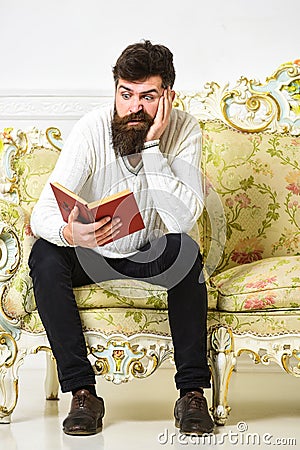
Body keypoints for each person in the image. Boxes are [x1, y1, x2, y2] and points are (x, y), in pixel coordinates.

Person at [29, 40, 214, 436]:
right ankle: (82, 393)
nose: (133, 107)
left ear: (168, 97)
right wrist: (70, 232)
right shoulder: (93, 127)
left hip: (150, 251)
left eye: (147, 97)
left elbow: (181, 218)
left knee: (187, 251)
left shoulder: (185, 130)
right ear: (114, 90)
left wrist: (151, 146)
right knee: (45, 254)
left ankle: (192, 394)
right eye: (125, 94)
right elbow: (42, 210)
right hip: (92, 251)